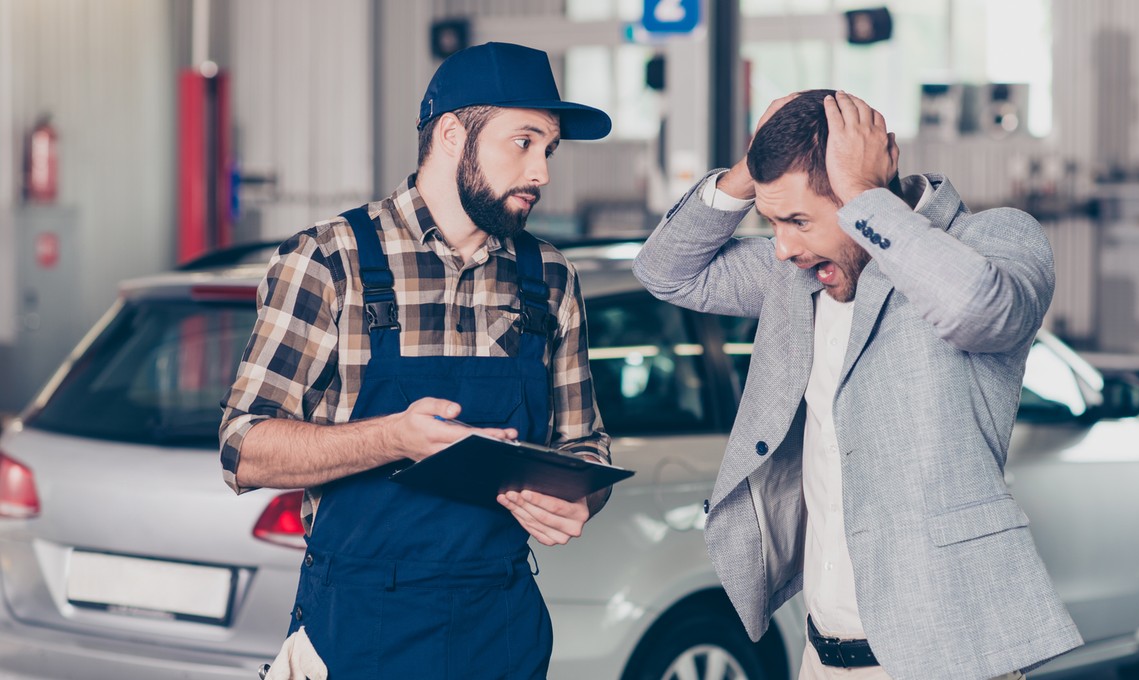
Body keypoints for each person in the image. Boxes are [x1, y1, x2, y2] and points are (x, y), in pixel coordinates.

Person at [633, 89, 1082, 680]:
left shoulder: (992, 241)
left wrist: (867, 194)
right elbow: (665, 272)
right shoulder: (798, 279)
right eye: (774, 221)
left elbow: (980, 311)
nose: (784, 247)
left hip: (944, 662)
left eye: (798, 221)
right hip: (821, 655)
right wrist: (755, 166)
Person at [219, 42, 613, 680]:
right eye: (525, 142)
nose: (541, 172)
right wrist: (396, 438)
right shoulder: (329, 261)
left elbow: (584, 444)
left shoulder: (549, 278)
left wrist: (579, 499)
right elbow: (245, 449)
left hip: (501, 622)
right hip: (358, 623)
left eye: (550, 150)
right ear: (454, 134)